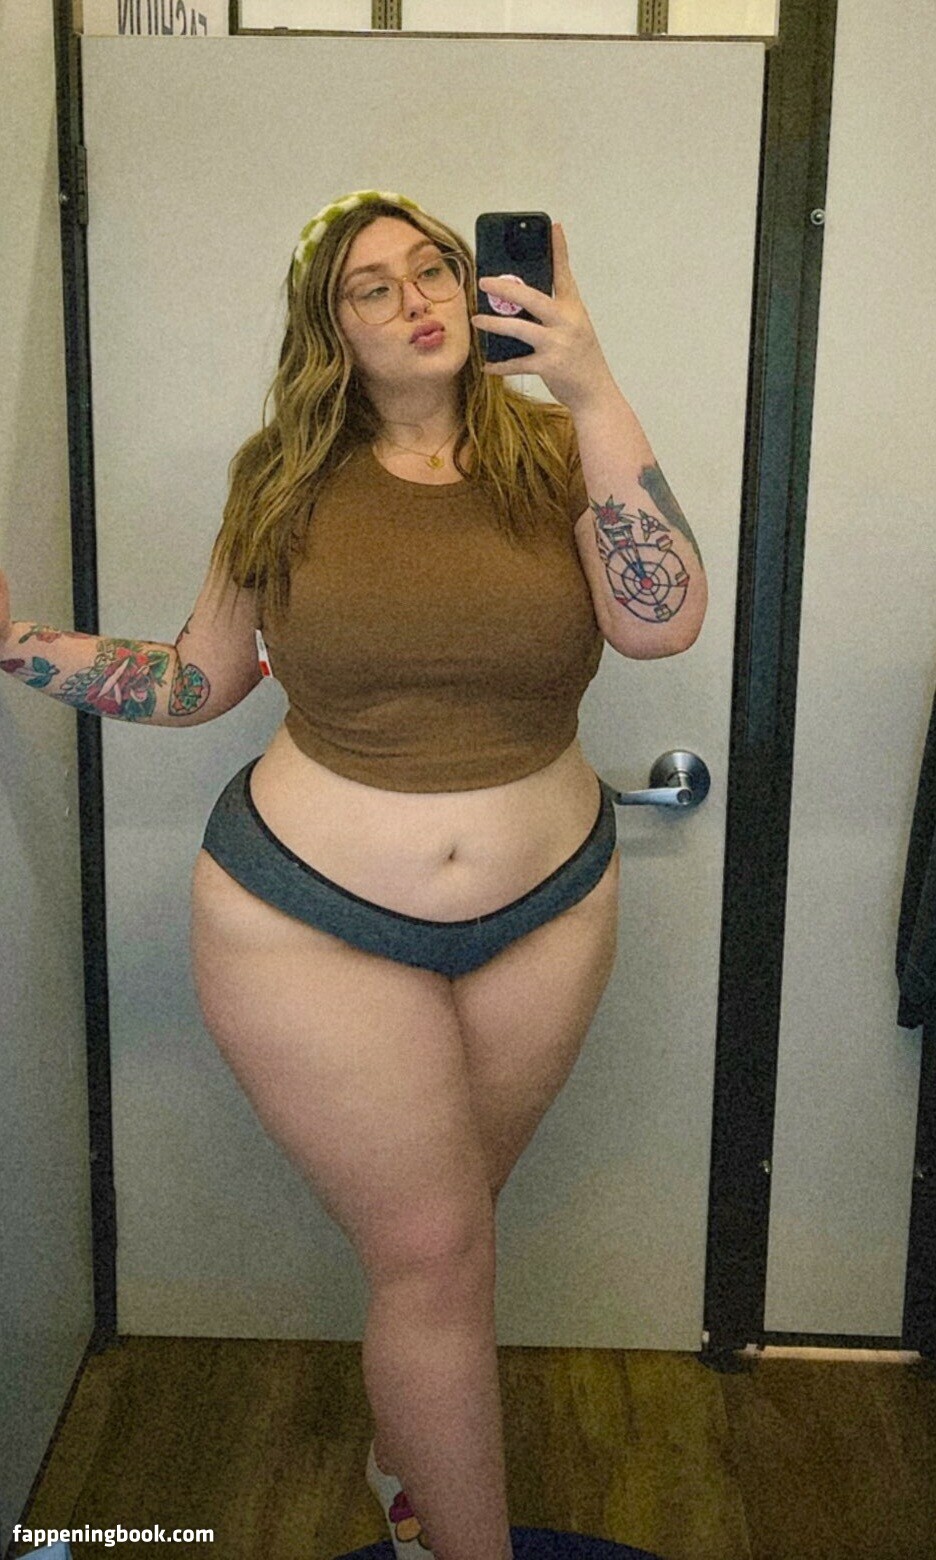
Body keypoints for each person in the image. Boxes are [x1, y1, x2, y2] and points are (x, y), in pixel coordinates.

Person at [0, 189, 706, 1560]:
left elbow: (661, 623)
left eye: (432, 267)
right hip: (305, 921)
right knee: (435, 1254)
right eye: (370, 287)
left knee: (447, 1243)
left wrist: (589, 379)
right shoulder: (280, 478)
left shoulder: (558, 451)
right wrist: (19, 643)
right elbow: (198, 680)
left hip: (549, 913)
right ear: (331, 331)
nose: (416, 298)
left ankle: (408, 1460)